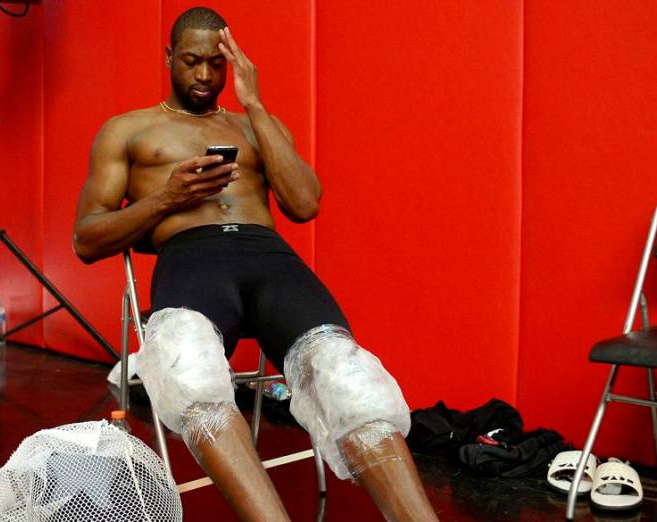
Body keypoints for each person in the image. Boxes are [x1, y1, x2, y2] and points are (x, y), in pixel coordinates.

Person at [73, 7, 438, 521]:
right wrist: (165, 199)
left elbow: (304, 203)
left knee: (352, 381)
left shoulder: (255, 125)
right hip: (192, 258)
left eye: (216, 64)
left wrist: (256, 105)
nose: (204, 76)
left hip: (268, 260)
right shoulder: (128, 130)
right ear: (168, 57)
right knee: (191, 373)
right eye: (191, 62)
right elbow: (85, 239)